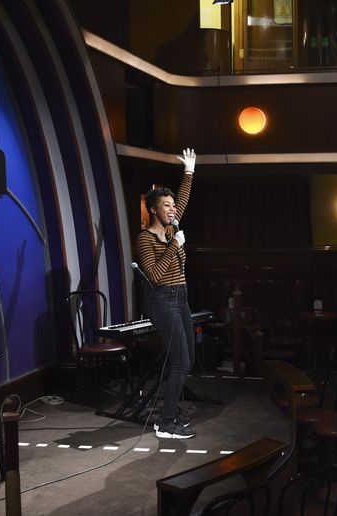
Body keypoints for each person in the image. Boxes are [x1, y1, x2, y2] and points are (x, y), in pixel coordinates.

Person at [135, 148, 197, 439]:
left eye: (173, 205)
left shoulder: (172, 229)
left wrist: (189, 172)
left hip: (181, 297)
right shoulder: (145, 239)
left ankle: (171, 413)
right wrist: (175, 246)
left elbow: (182, 200)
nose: (173, 209)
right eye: (166, 205)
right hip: (163, 301)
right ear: (153, 210)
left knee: (189, 359)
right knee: (180, 361)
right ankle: (165, 421)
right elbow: (156, 277)